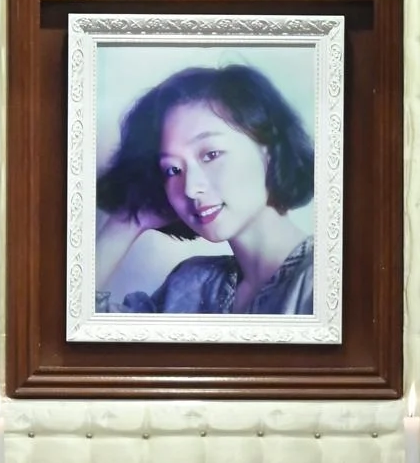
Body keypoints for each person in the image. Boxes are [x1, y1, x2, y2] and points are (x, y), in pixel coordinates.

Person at [94, 63, 315, 316]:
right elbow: (73, 322)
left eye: (211, 154)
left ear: (268, 149)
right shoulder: (190, 285)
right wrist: (128, 221)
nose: (190, 188)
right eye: (172, 170)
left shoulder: (328, 281)